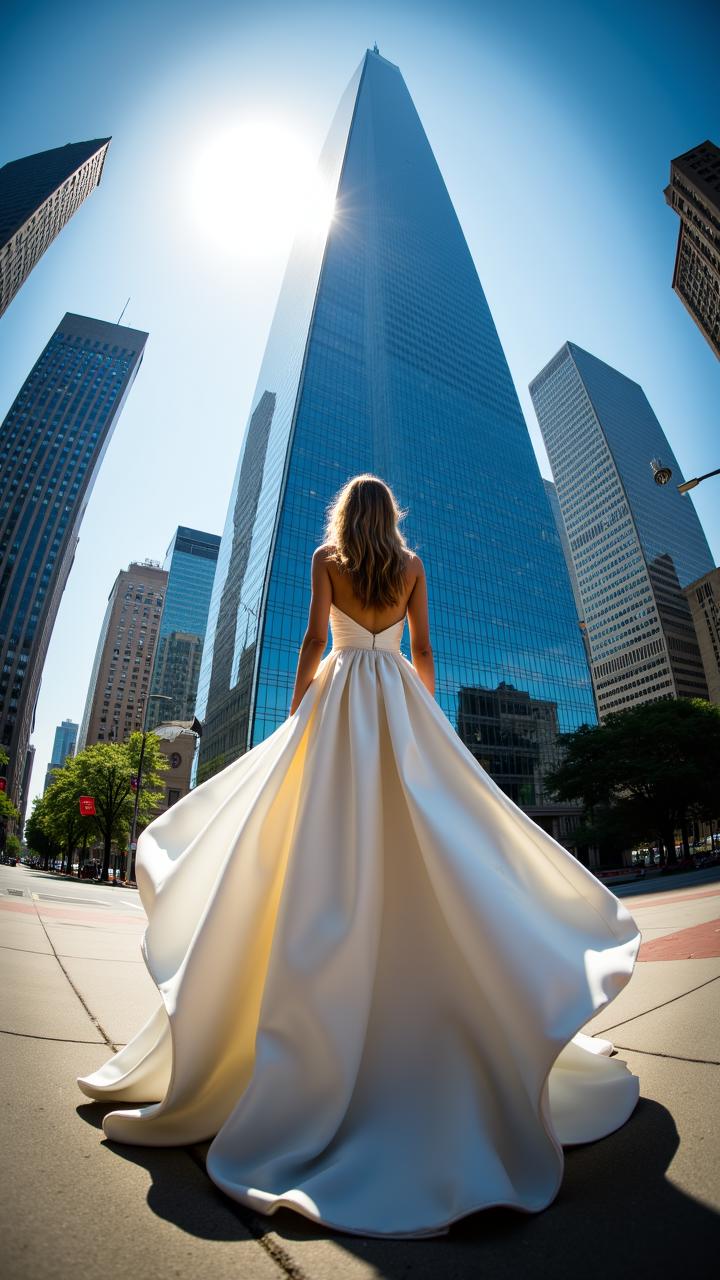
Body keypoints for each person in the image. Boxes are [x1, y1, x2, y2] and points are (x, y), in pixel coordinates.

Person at [78, 473, 640, 1239]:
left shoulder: (325, 559)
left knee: (313, 833)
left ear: (347, 516)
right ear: (392, 517)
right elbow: (425, 650)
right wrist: (427, 726)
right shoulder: (411, 568)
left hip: (341, 698)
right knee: (420, 836)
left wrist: (301, 701)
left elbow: (313, 640)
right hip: (396, 698)